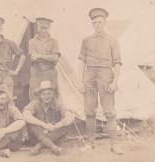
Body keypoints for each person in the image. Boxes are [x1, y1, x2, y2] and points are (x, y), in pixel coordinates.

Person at [78, 8, 123, 154]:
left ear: (104, 22)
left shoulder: (112, 40)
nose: (97, 25)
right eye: (94, 22)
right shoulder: (86, 41)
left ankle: (114, 144)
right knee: (89, 111)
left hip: (106, 74)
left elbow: (117, 62)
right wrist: (81, 82)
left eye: (100, 22)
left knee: (109, 111)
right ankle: (90, 143)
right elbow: (82, 63)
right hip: (89, 75)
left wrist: (115, 81)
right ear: (92, 24)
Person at [23, 80, 74, 156]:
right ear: (40, 95)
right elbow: (25, 115)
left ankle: (39, 146)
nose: (46, 96)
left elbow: (70, 116)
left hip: (54, 137)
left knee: (67, 124)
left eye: (49, 93)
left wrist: (56, 126)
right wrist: (43, 124)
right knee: (30, 124)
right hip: (38, 137)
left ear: (53, 94)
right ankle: (52, 147)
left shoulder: (57, 103)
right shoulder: (35, 103)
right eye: (44, 94)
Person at [28, 18, 60, 100]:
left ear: (49, 28)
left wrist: (41, 56)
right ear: (37, 27)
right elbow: (33, 57)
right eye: (40, 28)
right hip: (36, 72)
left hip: (50, 71)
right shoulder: (32, 42)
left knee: (52, 93)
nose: (42, 30)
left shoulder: (54, 42)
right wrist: (48, 57)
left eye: (45, 28)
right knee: (34, 94)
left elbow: (55, 57)